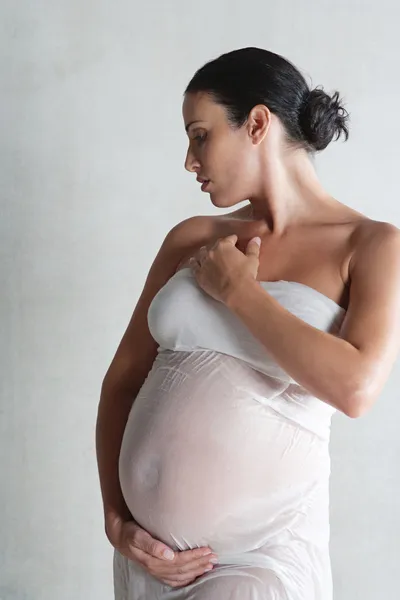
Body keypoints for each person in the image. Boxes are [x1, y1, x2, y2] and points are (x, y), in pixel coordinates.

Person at [96, 47, 400, 600]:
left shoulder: (372, 245)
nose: (190, 160)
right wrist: (117, 520)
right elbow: (122, 379)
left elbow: (355, 389)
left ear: (257, 123)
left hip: (261, 562)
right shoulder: (192, 238)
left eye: (200, 135)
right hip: (148, 567)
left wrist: (239, 292)